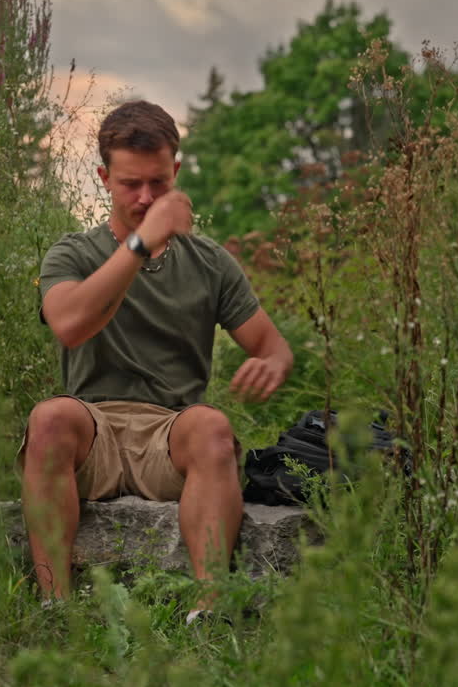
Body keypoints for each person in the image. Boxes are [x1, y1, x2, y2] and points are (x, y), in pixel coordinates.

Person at [20, 100, 293, 618]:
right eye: (130, 184)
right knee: (50, 417)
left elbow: (273, 346)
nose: (146, 197)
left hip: (170, 436)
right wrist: (141, 244)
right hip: (93, 429)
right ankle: (55, 607)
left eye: (158, 183)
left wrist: (274, 364)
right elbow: (70, 324)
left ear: (177, 172)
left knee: (212, 426)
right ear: (104, 178)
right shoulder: (73, 253)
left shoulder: (209, 263)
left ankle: (209, 613)